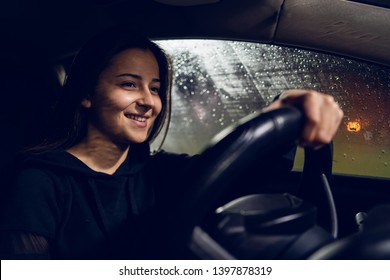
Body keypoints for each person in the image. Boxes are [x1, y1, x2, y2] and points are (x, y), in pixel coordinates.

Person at [0, 27, 343, 260]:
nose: (149, 101)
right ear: (88, 94)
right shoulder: (40, 182)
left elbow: (249, 175)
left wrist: (286, 104)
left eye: (154, 87)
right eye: (129, 84)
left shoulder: (158, 172)